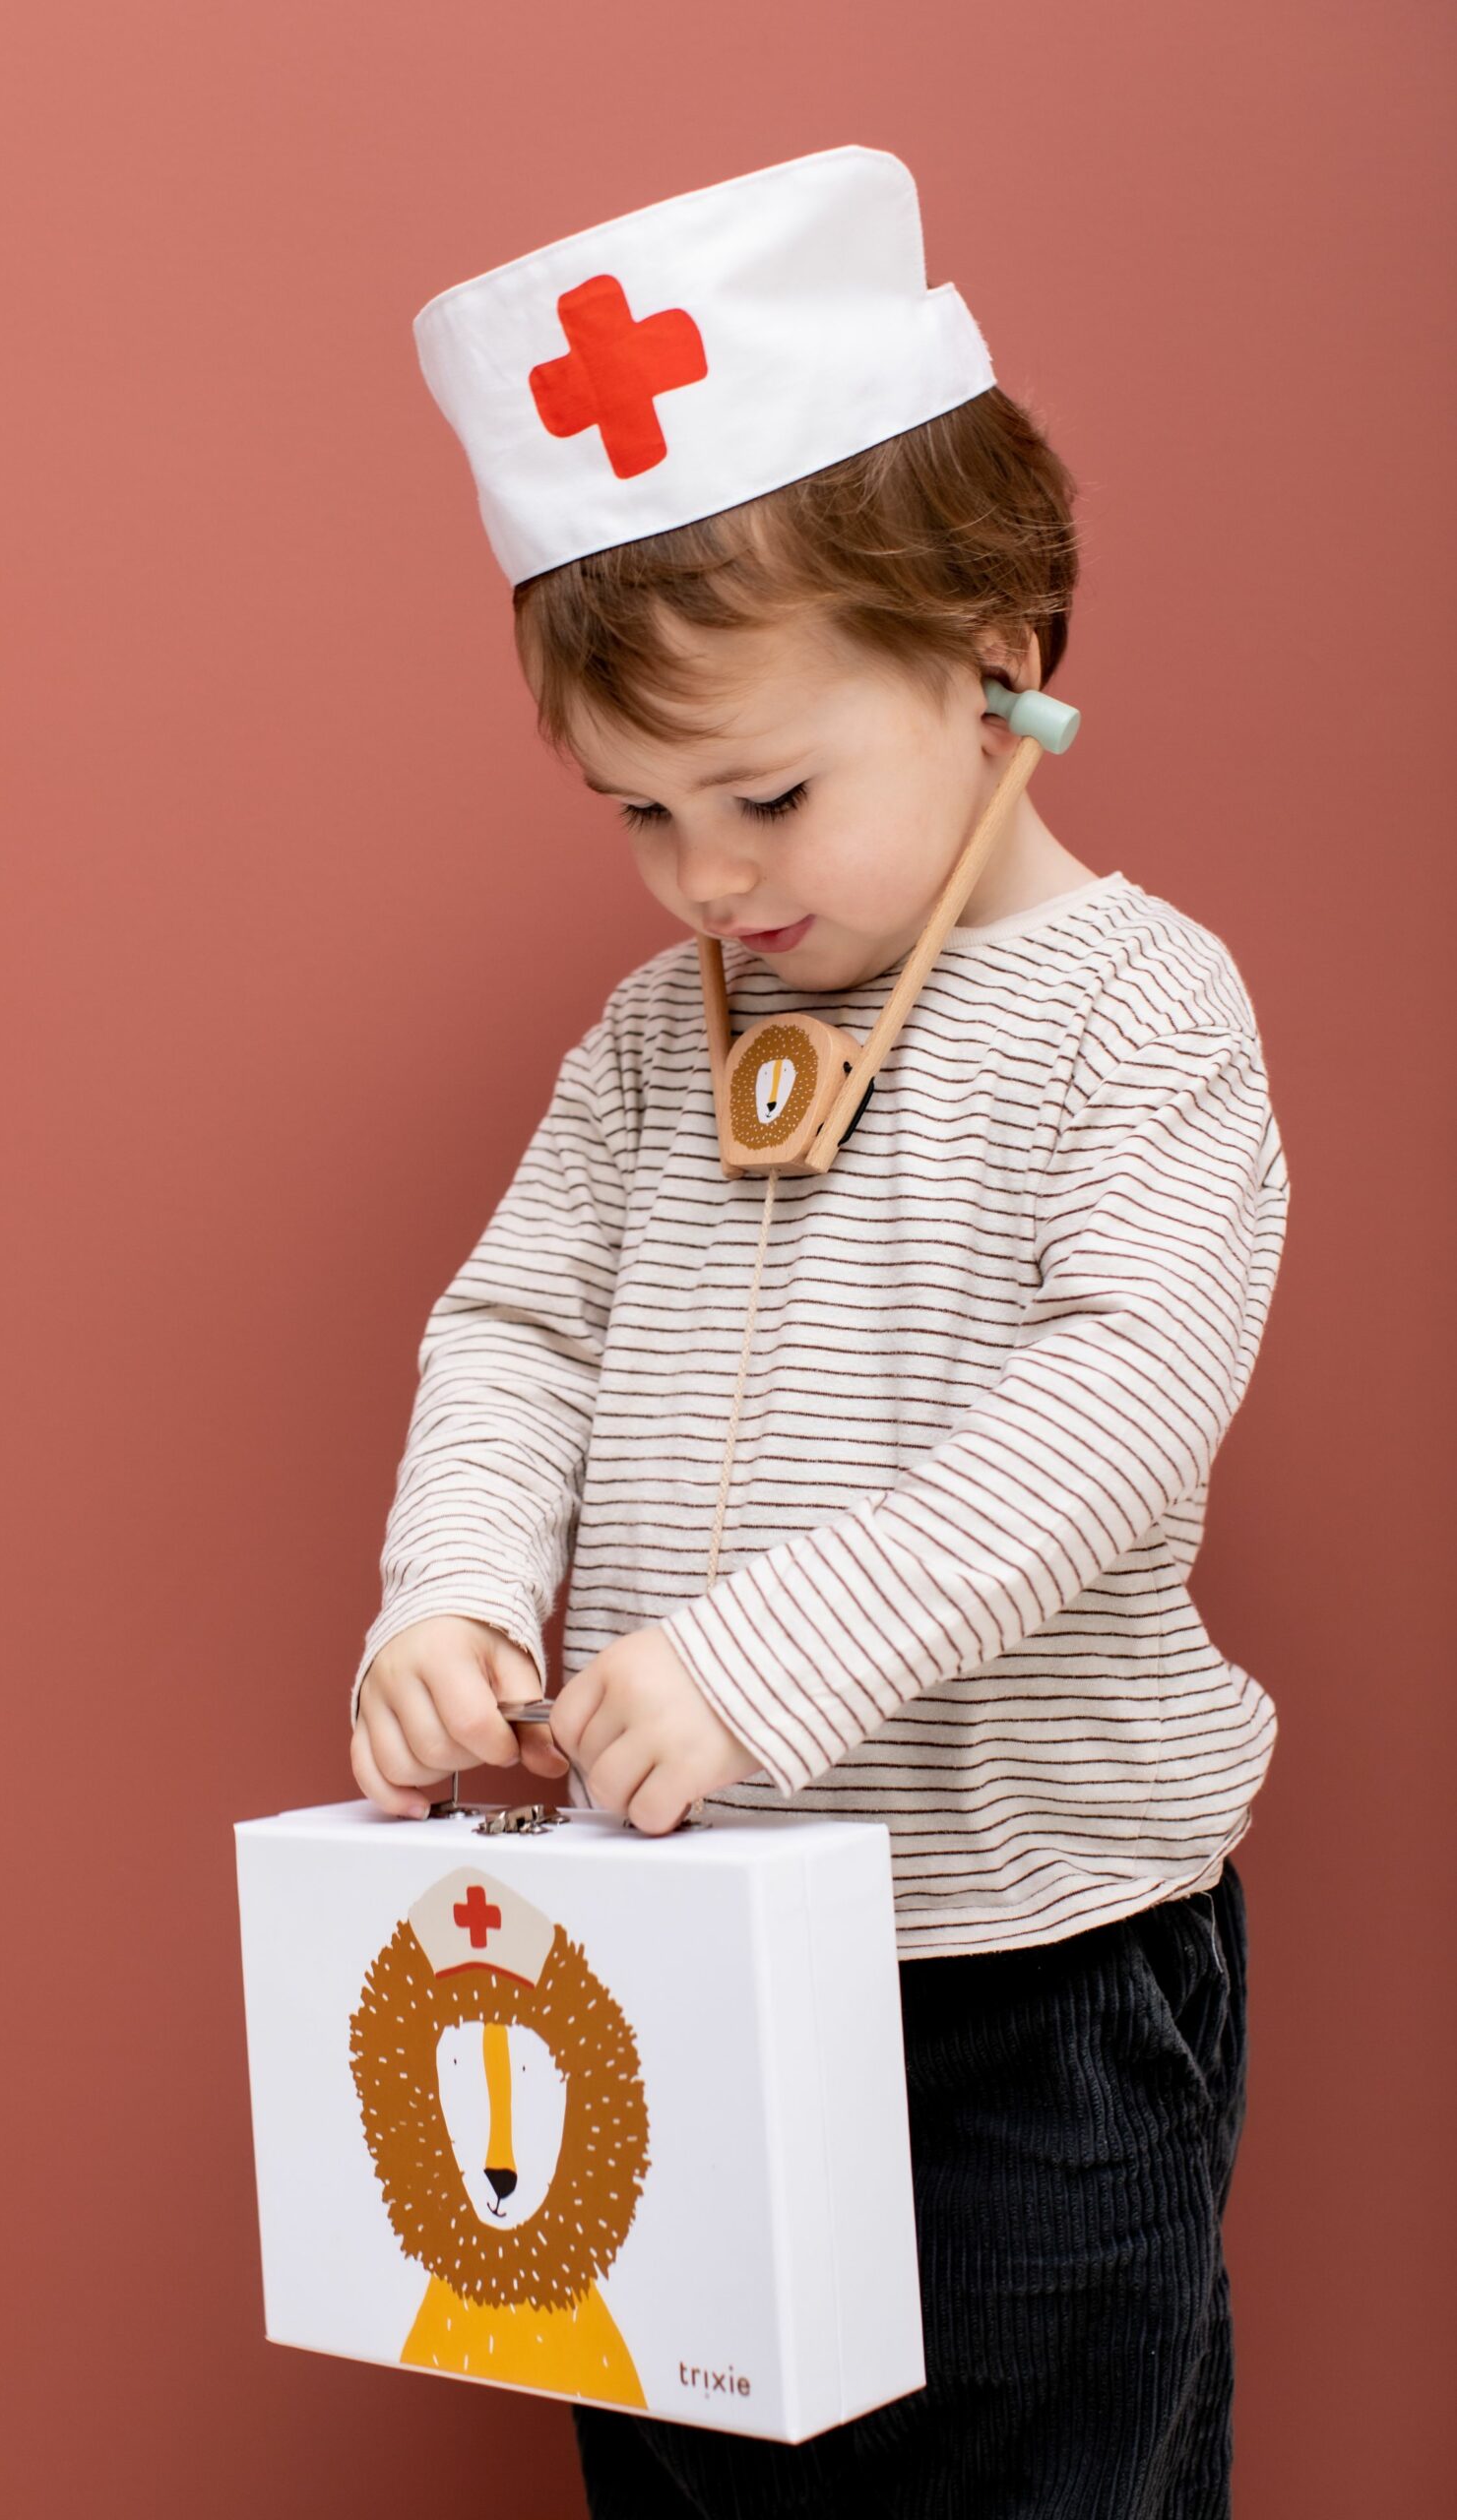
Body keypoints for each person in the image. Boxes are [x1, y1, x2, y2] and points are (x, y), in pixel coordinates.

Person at [348, 146, 1289, 2518]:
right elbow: (519, 1330)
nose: (706, 878)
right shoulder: (645, 1045)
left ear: (994, 655)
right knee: (693, 2472)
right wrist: (452, 1588)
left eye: (765, 791)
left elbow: (1112, 1407)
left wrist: (764, 1656)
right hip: (674, 1948)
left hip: (1021, 1981)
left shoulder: (1141, 1013)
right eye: (637, 813)